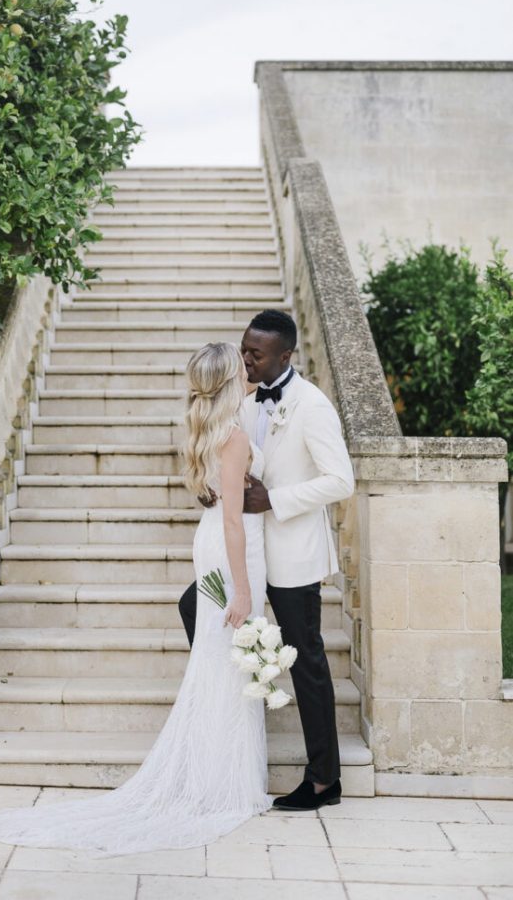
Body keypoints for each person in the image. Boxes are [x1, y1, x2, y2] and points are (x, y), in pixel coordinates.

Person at [0, 341, 272, 855]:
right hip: (231, 549)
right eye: (240, 366)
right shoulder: (235, 437)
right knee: (228, 660)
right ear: (228, 383)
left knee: (221, 660)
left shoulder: (210, 428)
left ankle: (221, 773)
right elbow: (232, 518)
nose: (248, 369)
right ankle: (222, 783)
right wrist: (242, 590)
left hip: (213, 543)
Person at [178, 309, 355, 811]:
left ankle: (323, 780)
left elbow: (341, 480)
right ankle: (233, 713)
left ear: (285, 356)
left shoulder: (312, 405)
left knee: (307, 660)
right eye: (244, 350)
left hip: (293, 553)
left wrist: (274, 500)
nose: (246, 360)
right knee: (193, 607)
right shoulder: (243, 396)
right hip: (248, 554)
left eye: (255, 354)